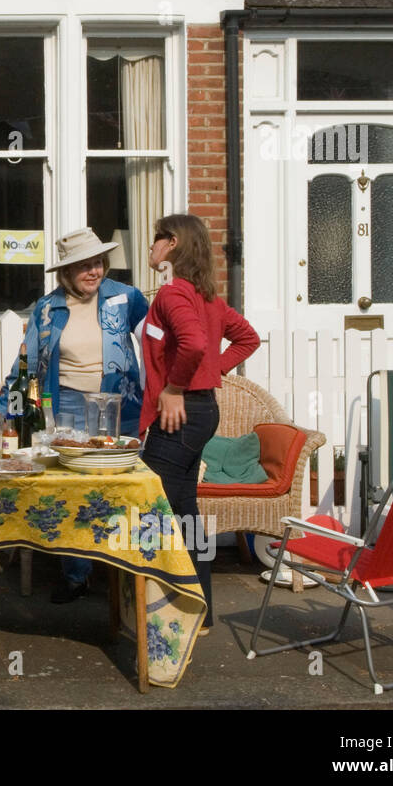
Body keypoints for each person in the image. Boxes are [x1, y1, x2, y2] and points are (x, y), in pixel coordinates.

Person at [0, 226, 148, 603]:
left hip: (120, 405)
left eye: (98, 263)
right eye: (83, 267)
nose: (94, 271)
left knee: (126, 490)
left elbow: (159, 344)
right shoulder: (48, 308)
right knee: (72, 493)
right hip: (69, 408)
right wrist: (3, 413)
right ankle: (76, 576)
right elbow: (25, 367)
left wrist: (171, 392)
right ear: (66, 273)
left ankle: (131, 576)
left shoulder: (127, 299)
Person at [140, 213, 260, 630]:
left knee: (153, 508)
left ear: (170, 243)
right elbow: (247, 338)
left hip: (182, 411)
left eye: (156, 238)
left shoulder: (174, 294)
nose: (150, 245)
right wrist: (213, 371)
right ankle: (200, 611)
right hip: (202, 410)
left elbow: (194, 343)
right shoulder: (204, 296)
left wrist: (174, 388)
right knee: (185, 510)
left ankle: (165, 612)